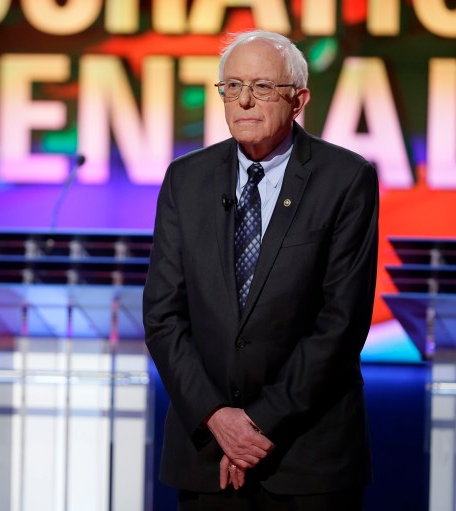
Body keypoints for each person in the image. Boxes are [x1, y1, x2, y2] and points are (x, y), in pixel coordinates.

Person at [143, 30, 378, 510]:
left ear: (299, 101)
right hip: (207, 454)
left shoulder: (346, 179)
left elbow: (341, 323)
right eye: (232, 86)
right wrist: (217, 417)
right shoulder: (185, 179)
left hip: (306, 457)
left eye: (263, 87)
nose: (244, 101)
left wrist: (258, 424)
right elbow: (163, 316)